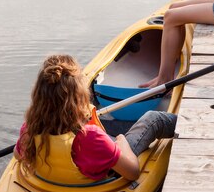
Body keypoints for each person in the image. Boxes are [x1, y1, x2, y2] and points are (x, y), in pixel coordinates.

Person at [14, 54, 177, 184]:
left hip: (56, 181)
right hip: (110, 171)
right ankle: (188, 127)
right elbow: (133, 172)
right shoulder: (91, 136)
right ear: (79, 97)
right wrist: (121, 143)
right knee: (153, 119)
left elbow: (17, 154)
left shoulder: (30, 127)